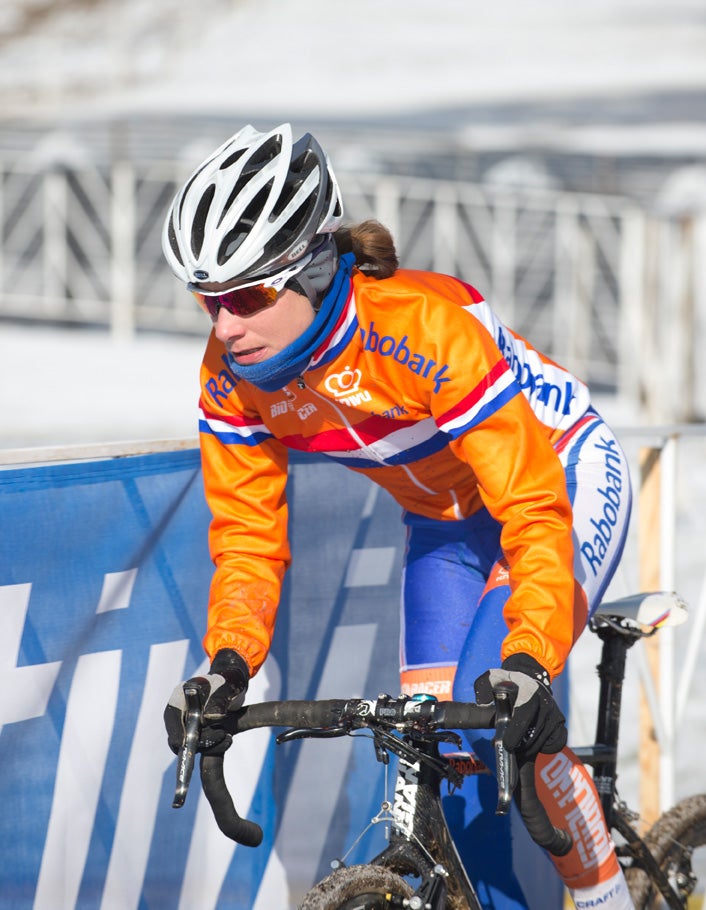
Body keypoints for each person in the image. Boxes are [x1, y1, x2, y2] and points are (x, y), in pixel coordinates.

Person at [162, 123, 633, 909]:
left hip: (558, 478)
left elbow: (529, 502)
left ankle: (607, 899)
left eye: (244, 298)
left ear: (310, 269)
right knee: (445, 752)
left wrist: (526, 657)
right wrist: (228, 663)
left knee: (502, 715)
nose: (223, 327)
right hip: (446, 524)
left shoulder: (420, 328)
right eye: (207, 302)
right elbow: (247, 538)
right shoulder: (230, 376)